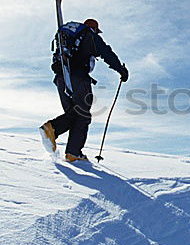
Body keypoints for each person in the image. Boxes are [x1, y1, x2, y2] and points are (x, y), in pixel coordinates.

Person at [40, 17, 128, 162]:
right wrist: (121, 70)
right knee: (82, 114)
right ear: (94, 29)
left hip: (61, 79)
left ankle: (72, 153)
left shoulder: (68, 39)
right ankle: (53, 129)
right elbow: (106, 52)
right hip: (78, 78)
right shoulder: (89, 36)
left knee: (75, 114)